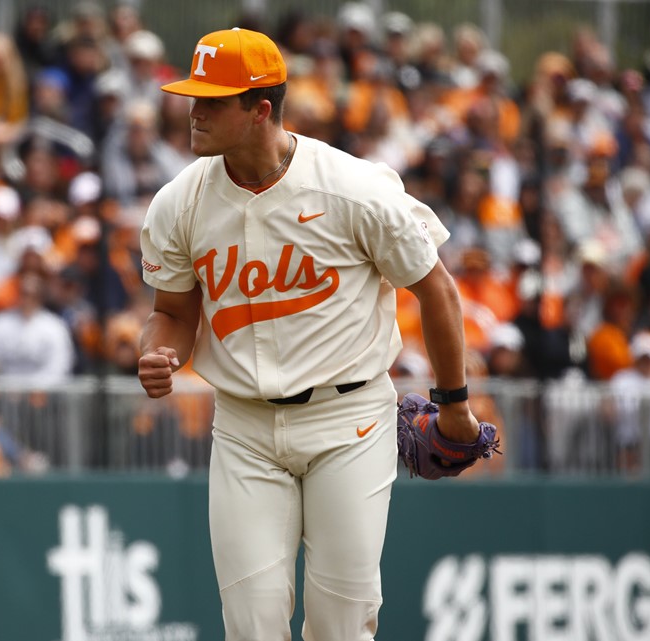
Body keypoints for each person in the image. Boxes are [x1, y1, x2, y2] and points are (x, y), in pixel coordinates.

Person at [136, 28, 485, 640]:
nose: (193, 112)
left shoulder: (353, 189)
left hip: (346, 421)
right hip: (244, 427)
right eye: (192, 96)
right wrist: (156, 350)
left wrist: (454, 403)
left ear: (259, 109)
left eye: (212, 101)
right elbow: (172, 311)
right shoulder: (178, 203)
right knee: (251, 625)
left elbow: (437, 290)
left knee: (342, 625)